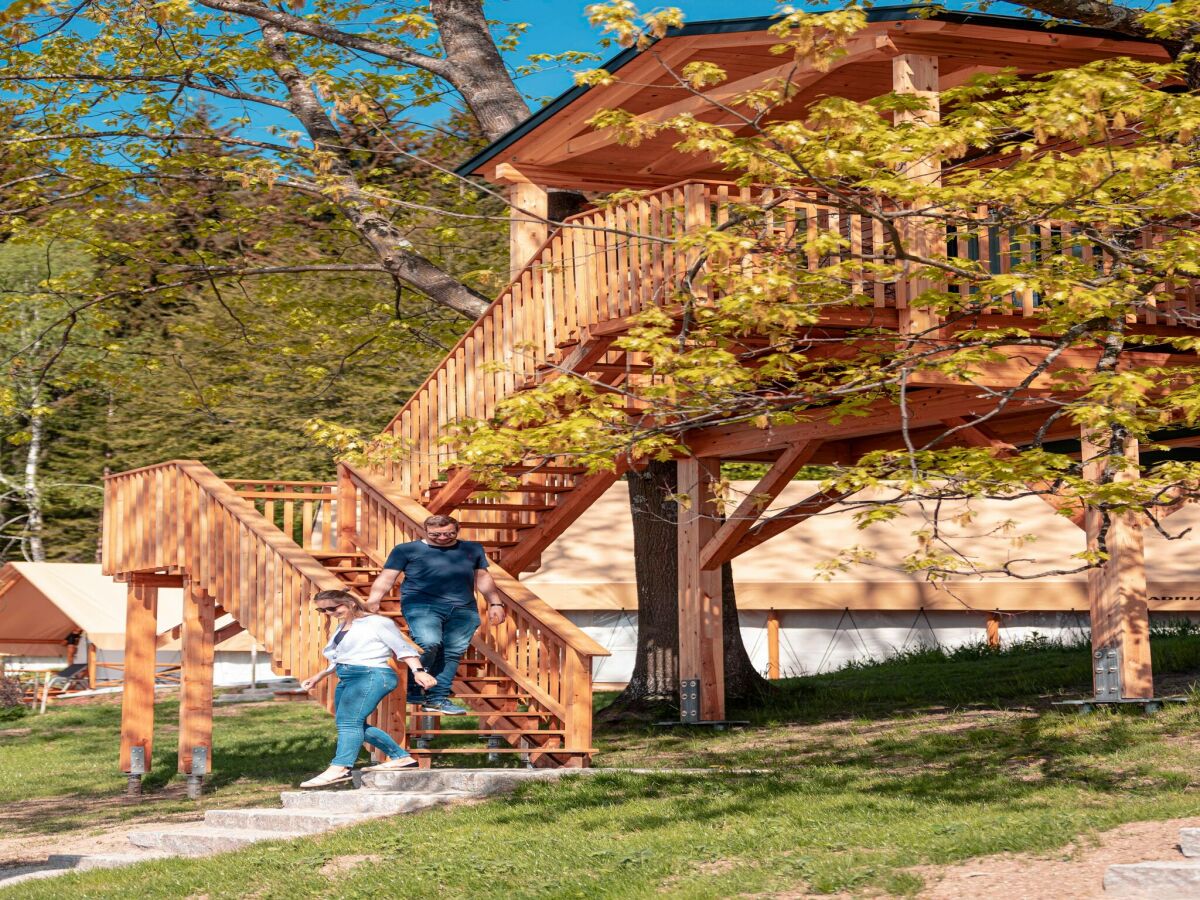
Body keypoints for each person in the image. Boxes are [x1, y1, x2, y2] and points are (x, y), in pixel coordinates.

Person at [365, 514, 506, 716]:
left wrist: (495, 602)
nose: (442, 538)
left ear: (457, 530)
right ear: (425, 531)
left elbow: (482, 577)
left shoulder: (472, 549)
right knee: (428, 642)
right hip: (421, 605)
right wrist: (374, 599)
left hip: (463, 608)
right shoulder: (407, 550)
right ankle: (415, 684)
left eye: (448, 533)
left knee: (452, 653)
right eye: (435, 534)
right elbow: (387, 577)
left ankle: (437, 699)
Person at [298, 589, 437, 788]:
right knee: (350, 723)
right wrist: (319, 675)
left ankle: (340, 767)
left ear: (351, 602)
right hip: (348, 676)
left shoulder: (377, 622)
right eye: (324, 610)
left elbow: (402, 648)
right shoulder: (344, 626)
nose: (330, 613)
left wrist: (419, 671)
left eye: (333, 607)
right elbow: (342, 656)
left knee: (349, 723)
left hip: (372, 675)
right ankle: (401, 757)